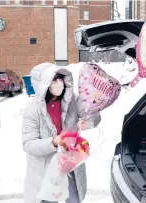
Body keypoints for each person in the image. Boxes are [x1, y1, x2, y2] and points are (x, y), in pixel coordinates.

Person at [22, 63, 101, 203]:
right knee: (49, 199)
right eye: (53, 80)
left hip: (71, 163)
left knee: (73, 199)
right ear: (42, 85)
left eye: (60, 78)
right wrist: (53, 142)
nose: (59, 83)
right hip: (46, 170)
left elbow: (92, 114)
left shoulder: (73, 100)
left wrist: (90, 120)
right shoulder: (32, 110)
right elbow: (28, 144)